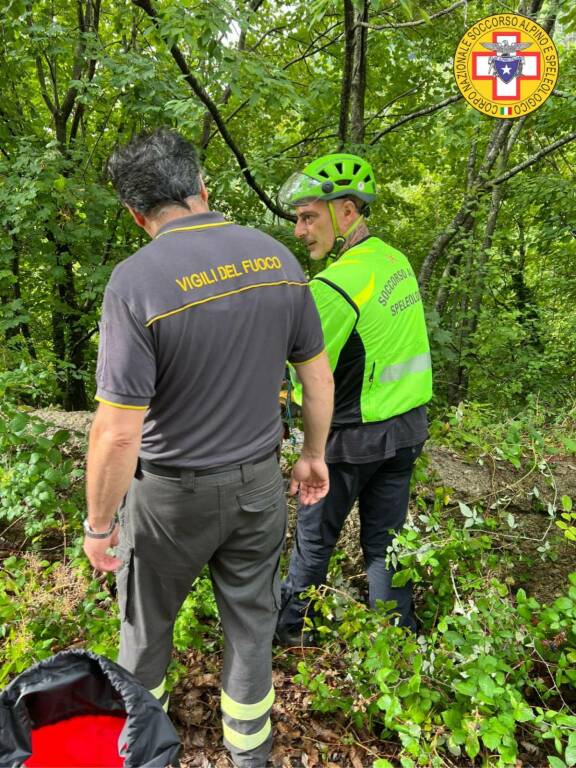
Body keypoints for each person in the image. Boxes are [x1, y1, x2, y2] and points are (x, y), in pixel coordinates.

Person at [82, 129, 334, 768]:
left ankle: (146, 750)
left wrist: (99, 525)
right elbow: (316, 375)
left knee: (144, 631)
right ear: (202, 187)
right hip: (257, 486)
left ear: (137, 215)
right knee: (251, 626)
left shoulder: (136, 281)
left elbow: (116, 430)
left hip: (170, 498)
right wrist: (312, 454)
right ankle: (250, 753)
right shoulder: (277, 257)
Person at [276, 153, 432, 644]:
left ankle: (289, 635)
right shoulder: (393, 260)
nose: (299, 230)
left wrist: (301, 436)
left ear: (346, 211)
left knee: (313, 542)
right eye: (297, 218)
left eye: (308, 216)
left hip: (351, 440)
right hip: (407, 431)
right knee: (385, 546)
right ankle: (397, 647)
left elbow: (309, 377)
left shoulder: (333, 285)